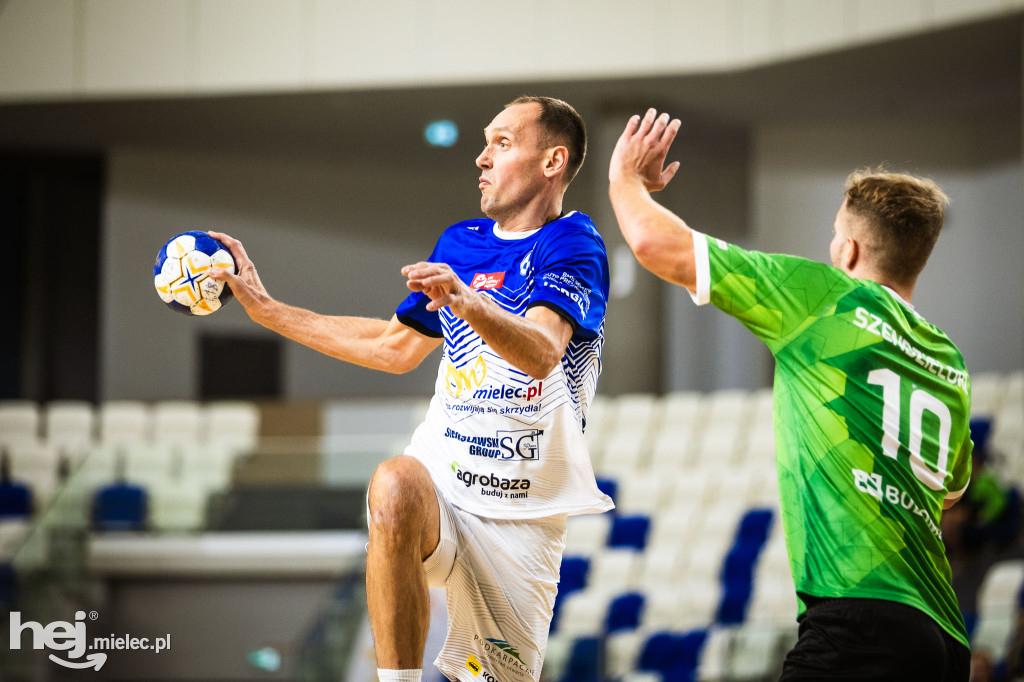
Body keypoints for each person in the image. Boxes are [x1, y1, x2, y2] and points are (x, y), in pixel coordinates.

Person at [208, 95, 613, 682]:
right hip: (444, 483)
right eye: (484, 142)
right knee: (395, 481)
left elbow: (543, 353)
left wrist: (467, 301)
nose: (481, 157)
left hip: (520, 519)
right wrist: (270, 312)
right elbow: (392, 348)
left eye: (502, 142)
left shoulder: (575, 243)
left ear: (553, 161)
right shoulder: (459, 243)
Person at [607, 109, 972, 681]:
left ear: (849, 250)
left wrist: (624, 181)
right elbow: (949, 493)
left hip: (857, 618)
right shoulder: (948, 361)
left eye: (833, 235)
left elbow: (655, 243)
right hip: (943, 640)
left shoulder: (826, 295)